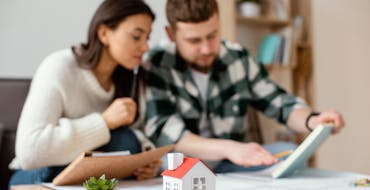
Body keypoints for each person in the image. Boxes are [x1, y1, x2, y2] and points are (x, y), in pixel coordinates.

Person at [143, 0, 345, 173]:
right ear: (171, 34)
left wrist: (313, 120)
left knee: (289, 151)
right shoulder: (157, 64)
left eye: (212, 35)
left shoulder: (238, 58)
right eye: (194, 40)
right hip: (182, 165)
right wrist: (230, 148)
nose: (206, 48)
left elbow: (279, 102)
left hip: (230, 163)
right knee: (159, 167)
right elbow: (171, 136)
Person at [9, 0, 161, 186]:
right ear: (104, 33)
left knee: (126, 141)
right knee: (119, 142)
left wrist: (145, 159)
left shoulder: (130, 77)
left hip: (89, 177)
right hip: (36, 174)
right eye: (137, 37)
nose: (145, 47)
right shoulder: (59, 66)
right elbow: (29, 152)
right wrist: (104, 122)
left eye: (148, 38)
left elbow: (134, 134)